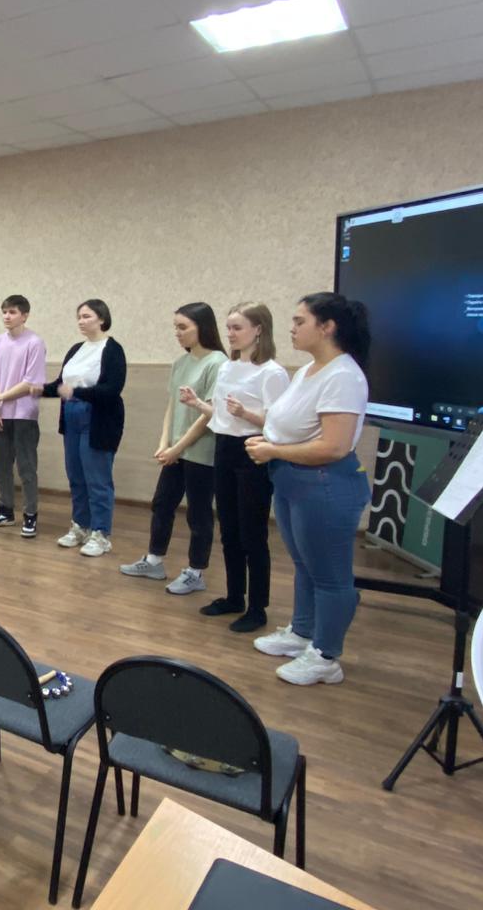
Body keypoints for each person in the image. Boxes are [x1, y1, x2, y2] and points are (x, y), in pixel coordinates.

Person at [246, 293, 370, 686]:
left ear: (327, 327)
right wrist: (269, 440)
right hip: (292, 480)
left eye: (300, 321)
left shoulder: (343, 376)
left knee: (330, 575)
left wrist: (273, 450)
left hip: (325, 485)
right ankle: (302, 632)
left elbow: (333, 446)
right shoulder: (309, 371)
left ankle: (326, 656)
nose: (292, 328)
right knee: (305, 564)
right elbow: (289, 422)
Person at [179, 303, 289, 632]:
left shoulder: (272, 372)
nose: (230, 333)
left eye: (237, 327)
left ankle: (257, 607)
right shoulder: (228, 367)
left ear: (259, 330)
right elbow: (221, 416)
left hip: (253, 450)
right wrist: (198, 404)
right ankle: (234, 596)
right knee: (228, 529)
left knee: (252, 532)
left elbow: (279, 424)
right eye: (228, 327)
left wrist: (247, 414)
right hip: (224, 447)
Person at [120, 303, 225, 593]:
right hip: (176, 450)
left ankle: (196, 572)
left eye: (183, 327)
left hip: (200, 452)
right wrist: (164, 443)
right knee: (162, 503)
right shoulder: (180, 363)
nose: (177, 333)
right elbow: (172, 407)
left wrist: (178, 447)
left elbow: (208, 415)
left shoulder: (218, 363)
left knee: (198, 513)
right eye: (175, 327)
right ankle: (154, 560)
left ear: (202, 327)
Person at [40, 299, 126, 557]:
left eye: (87, 316)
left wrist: (77, 392)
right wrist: (38, 389)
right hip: (71, 417)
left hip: (98, 419)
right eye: (79, 316)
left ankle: (101, 533)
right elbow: (61, 384)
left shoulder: (112, 349)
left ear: (102, 319)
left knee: (97, 478)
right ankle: (81, 526)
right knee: (76, 475)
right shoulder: (76, 349)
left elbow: (111, 390)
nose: (81, 321)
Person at [0, 295, 47, 537]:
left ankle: (30, 515)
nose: (7, 316)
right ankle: (5, 510)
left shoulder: (35, 343)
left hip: (23, 415)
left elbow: (30, 383)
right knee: (0, 467)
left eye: (12, 312)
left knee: (26, 468)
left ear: (24, 315)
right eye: (4, 312)